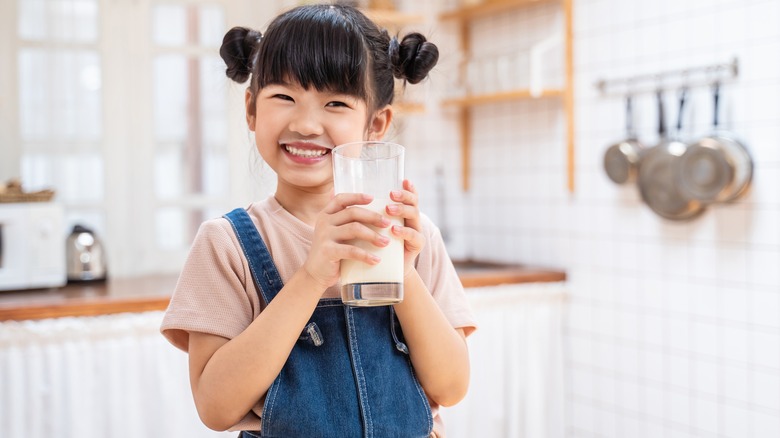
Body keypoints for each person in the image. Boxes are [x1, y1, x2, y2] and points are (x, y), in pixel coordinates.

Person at [160, 3, 476, 437]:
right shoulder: (227, 244)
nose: (307, 124)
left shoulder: (413, 237)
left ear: (376, 123)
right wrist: (310, 277)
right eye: (284, 97)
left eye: (335, 103)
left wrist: (402, 275)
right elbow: (215, 407)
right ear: (251, 109)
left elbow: (452, 386)